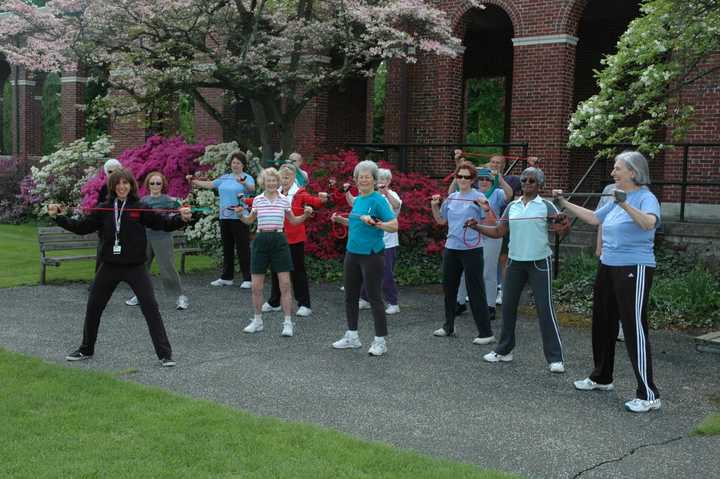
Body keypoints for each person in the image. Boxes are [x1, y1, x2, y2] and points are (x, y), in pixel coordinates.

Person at [48, 169, 192, 367]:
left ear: (131, 185)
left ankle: (165, 355)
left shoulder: (140, 207)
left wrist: (181, 218)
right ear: (113, 186)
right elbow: (82, 227)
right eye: (118, 183)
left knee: (151, 308)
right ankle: (86, 349)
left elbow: (163, 224)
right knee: (93, 307)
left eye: (125, 183)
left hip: (135, 267)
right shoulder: (104, 208)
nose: (122, 186)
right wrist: (58, 217)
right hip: (109, 266)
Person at [553, 151, 662, 413]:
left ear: (633, 172)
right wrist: (564, 202)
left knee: (634, 327)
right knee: (602, 322)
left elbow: (649, 224)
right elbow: (594, 218)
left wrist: (625, 204)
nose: (613, 173)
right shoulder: (615, 195)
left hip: (634, 266)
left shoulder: (646, 198)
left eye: (618, 169)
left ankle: (648, 394)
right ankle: (602, 377)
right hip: (608, 265)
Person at [469, 167, 569, 372]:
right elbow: (498, 231)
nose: (526, 184)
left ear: (540, 185)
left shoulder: (547, 206)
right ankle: (504, 350)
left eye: (532, 181)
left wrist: (562, 224)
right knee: (507, 307)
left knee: (545, 309)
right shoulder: (512, 206)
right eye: (523, 180)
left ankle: (555, 358)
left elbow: (561, 231)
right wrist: (476, 226)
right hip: (515, 262)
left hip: (539, 262)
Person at [330, 160, 398, 356]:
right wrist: (341, 220)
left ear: (374, 180)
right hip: (352, 253)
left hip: (371, 255)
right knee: (350, 297)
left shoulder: (378, 200)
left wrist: (375, 223)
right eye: (360, 177)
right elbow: (357, 224)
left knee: (375, 297)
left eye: (367, 177)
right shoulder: (358, 200)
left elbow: (394, 225)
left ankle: (380, 341)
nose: (364, 180)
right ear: (356, 180)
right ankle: (352, 336)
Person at [239, 167, 314, 337]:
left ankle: (287, 322)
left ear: (278, 182)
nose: (271, 183)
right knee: (256, 286)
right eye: (268, 181)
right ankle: (257, 321)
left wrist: (305, 216)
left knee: (285, 283)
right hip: (261, 240)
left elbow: (294, 221)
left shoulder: (284, 200)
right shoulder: (257, 200)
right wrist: (240, 215)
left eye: (274, 180)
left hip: (279, 239)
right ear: (263, 183)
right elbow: (249, 220)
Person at [430, 161, 494, 345]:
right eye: (460, 176)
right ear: (456, 178)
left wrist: (486, 209)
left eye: (467, 177)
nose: (463, 179)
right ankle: (448, 326)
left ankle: (485, 333)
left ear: (473, 179)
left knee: (476, 290)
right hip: (452, 248)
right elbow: (441, 221)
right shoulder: (451, 198)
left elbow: (491, 223)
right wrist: (435, 205)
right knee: (449, 289)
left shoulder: (479, 196)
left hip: (472, 249)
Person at [261, 163, 327, 317]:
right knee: (277, 270)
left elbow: (314, 201)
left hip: (295, 239)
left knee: (298, 271)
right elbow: (257, 201)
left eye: (288, 177)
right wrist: (244, 201)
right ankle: (274, 301)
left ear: (293, 179)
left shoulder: (300, 193)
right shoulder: (273, 193)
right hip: (277, 237)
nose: (285, 180)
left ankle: (304, 304)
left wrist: (322, 199)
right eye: (282, 177)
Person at [187, 151, 254, 288]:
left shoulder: (247, 177)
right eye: (233, 162)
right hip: (225, 217)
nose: (235, 165)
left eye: (238, 163)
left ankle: (248, 278)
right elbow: (210, 184)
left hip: (240, 217)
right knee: (227, 247)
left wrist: (244, 182)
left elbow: (252, 189)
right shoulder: (225, 177)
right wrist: (193, 180)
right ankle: (227, 277)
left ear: (243, 165)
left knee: (243, 248)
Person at [125, 171, 189, 310]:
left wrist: (183, 209)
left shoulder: (169, 200)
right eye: (152, 183)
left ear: (162, 184)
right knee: (141, 268)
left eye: (158, 183)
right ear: (148, 184)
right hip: (145, 238)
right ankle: (140, 295)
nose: (155, 185)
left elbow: (183, 211)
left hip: (162, 238)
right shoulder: (143, 201)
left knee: (167, 268)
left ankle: (180, 297)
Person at [346, 168, 403, 315]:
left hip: (387, 242)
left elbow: (397, 205)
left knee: (386, 273)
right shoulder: (367, 196)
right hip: (368, 242)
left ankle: (393, 302)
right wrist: (346, 191)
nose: (381, 182)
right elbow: (354, 205)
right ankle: (364, 298)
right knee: (366, 271)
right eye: (380, 179)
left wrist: (386, 193)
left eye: (385, 180)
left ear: (389, 181)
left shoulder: (391, 195)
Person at [475, 167, 507, 321]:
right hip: (474, 234)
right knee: (471, 271)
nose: (484, 181)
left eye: (487, 179)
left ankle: (490, 306)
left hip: (493, 233)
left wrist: (500, 178)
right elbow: (453, 189)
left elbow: (509, 195)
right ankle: (461, 302)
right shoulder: (472, 193)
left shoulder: (498, 192)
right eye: (481, 178)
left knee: (489, 271)